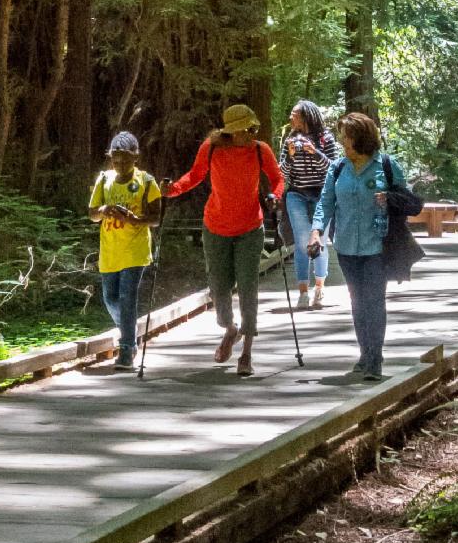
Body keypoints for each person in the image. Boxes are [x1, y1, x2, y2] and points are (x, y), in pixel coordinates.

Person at [163, 103, 284, 377]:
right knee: (219, 287)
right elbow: (195, 175)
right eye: (244, 129)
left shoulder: (259, 149)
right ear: (230, 132)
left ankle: (247, 353)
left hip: (250, 228)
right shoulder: (212, 147)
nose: (250, 133)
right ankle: (230, 329)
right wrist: (172, 190)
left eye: (252, 128)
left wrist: (275, 196)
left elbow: (278, 178)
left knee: (249, 286)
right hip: (215, 226)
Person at [308, 111, 403, 382]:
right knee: (357, 302)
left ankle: (375, 359)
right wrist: (316, 233)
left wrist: (390, 200)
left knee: (374, 301)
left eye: (347, 138)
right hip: (346, 246)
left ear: (361, 138)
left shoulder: (385, 165)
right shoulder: (337, 168)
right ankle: (365, 354)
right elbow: (325, 203)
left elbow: (405, 200)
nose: (343, 143)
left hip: (377, 246)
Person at [89, 131, 162, 371]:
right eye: (115, 159)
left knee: (127, 297)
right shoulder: (104, 179)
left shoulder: (147, 181)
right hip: (109, 251)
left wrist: (134, 220)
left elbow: (155, 218)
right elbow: (92, 214)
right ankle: (129, 333)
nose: (119, 164)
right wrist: (105, 209)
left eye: (125, 160)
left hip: (135, 251)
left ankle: (127, 348)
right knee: (110, 298)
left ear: (135, 158)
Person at [278, 99, 339, 311]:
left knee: (319, 240)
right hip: (296, 195)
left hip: (322, 194)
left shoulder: (326, 138)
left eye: (294, 114)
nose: (290, 117)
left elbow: (334, 169)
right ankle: (303, 291)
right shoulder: (290, 140)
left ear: (305, 116)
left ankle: (319, 287)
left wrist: (315, 152)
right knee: (302, 241)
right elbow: (282, 174)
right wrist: (291, 157)